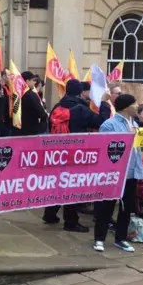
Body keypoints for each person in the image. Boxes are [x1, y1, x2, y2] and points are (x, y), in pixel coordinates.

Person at [43, 79, 110, 233]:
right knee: (72, 187)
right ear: (80, 92)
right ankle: (71, 222)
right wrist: (104, 104)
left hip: (57, 152)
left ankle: (50, 214)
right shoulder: (80, 108)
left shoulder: (56, 106)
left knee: (59, 183)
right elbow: (101, 122)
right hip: (76, 153)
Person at [93, 94, 143, 253]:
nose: (138, 107)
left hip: (132, 172)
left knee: (126, 208)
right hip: (114, 173)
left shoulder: (134, 124)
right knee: (106, 206)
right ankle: (99, 238)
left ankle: (120, 238)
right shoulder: (110, 124)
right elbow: (102, 148)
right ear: (126, 107)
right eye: (135, 104)